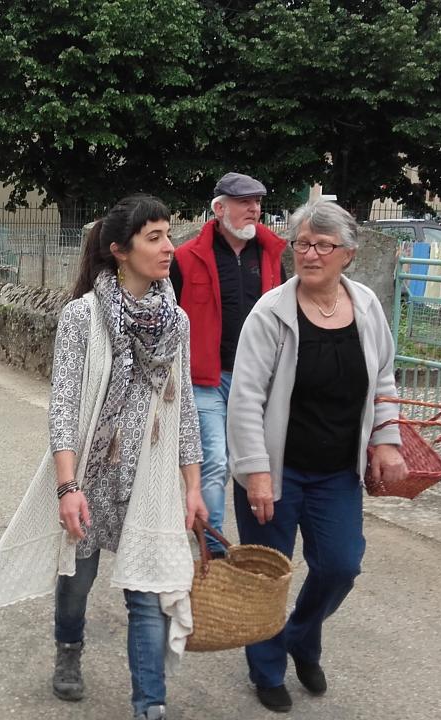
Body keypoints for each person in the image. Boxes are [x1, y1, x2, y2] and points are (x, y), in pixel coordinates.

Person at [0, 195, 206, 720]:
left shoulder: (175, 321)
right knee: (78, 580)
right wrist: (68, 487)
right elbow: (65, 407)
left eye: (169, 235)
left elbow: (184, 408)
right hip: (92, 475)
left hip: (152, 476)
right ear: (120, 250)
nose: (170, 248)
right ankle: (68, 649)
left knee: (147, 592)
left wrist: (192, 485)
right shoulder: (82, 316)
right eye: (155, 238)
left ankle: (149, 705)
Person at [226, 200, 407, 713]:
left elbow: (385, 379)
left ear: (347, 253)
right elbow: (245, 399)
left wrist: (386, 439)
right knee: (267, 575)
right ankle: (265, 670)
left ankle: (300, 637)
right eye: (302, 244)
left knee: (340, 566)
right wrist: (256, 474)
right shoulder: (271, 313)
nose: (309, 253)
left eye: (323, 245)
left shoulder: (368, 306)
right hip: (277, 472)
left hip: (336, 472)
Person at [171, 172, 287, 556]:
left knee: (258, 462)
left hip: (259, 381)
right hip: (207, 379)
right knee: (215, 462)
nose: (254, 208)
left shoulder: (272, 257)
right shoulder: (186, 259)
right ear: (220, 209)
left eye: (257, 201)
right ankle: (214, 550)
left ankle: (261, 545)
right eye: (244, 202)